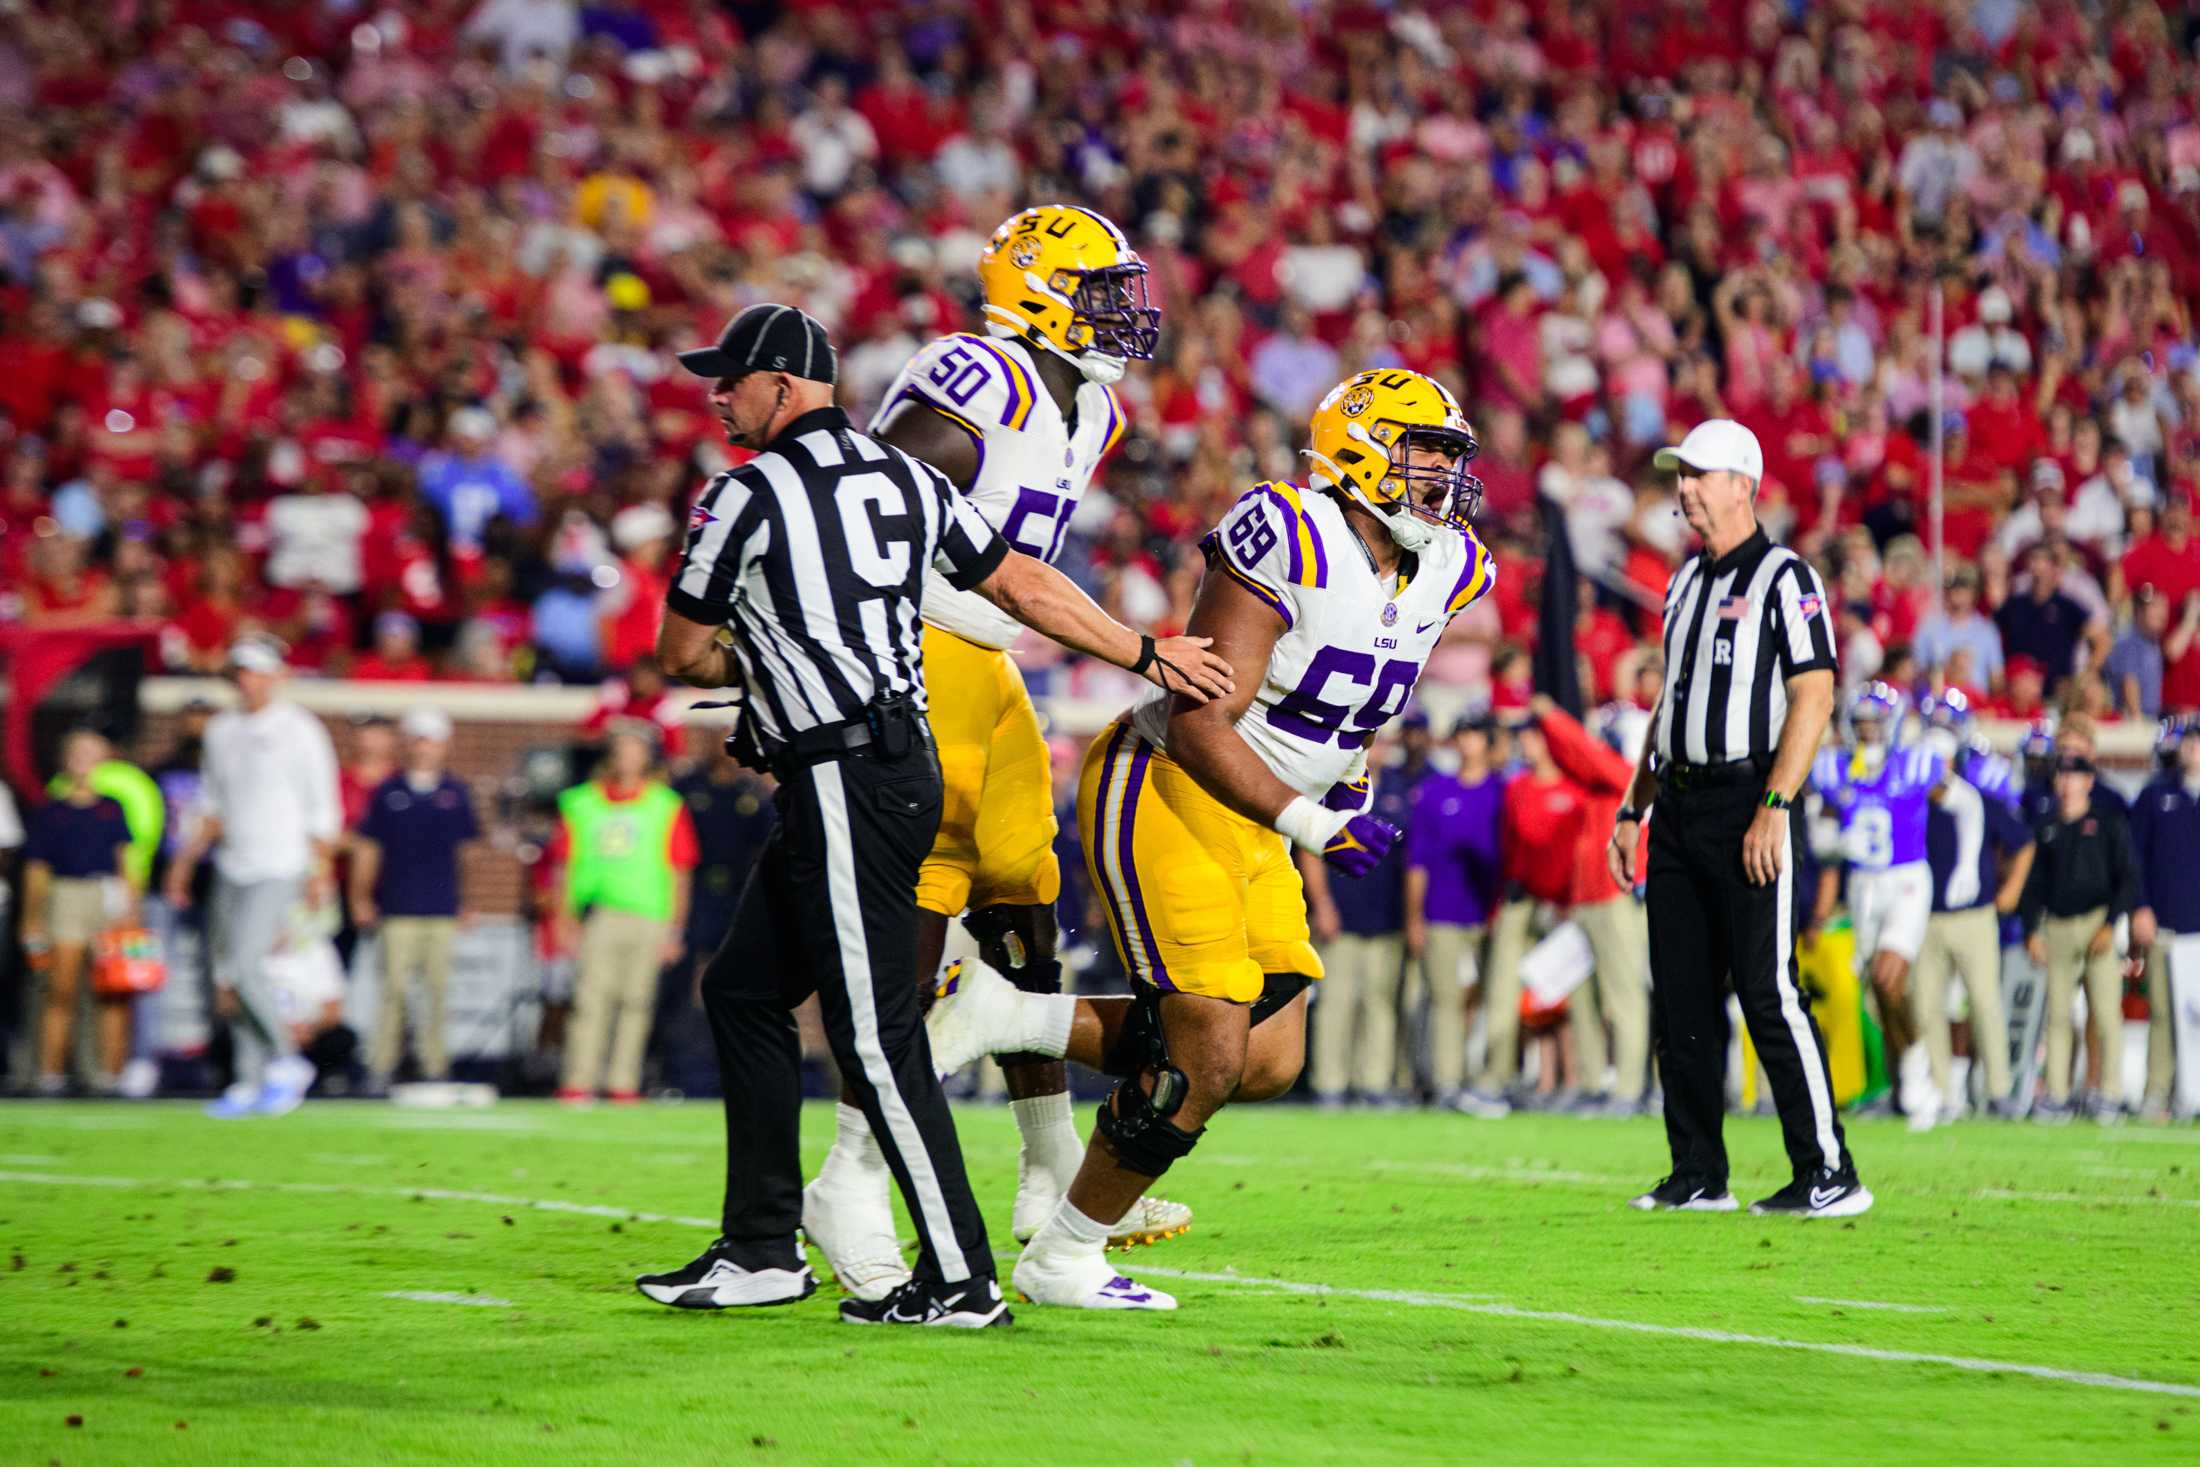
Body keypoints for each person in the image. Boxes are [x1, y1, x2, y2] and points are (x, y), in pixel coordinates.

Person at [645, 303, 1229, 1325]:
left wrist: (764, 668)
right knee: (744, 989)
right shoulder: (920, 463)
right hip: (915, 722)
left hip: (853, 755)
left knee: (888, 1018)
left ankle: (956, 1260)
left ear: (783, 388)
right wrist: (1141, 650)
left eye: (730, 379)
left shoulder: (743, 493)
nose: (717, 395)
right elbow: (1016, 577)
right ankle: (763, 1244)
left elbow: (680, 651)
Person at [926, 367, 1497, 1309]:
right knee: (1208, 1056)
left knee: (1268, 1058)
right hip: (1170, 786)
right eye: (1421, 453)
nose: (1441, 476)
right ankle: (1065, 1252)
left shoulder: (1450, 562)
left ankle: (1008, 1016)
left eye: (1448, 457)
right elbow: (1200, 721)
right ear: (1358, 449)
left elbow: (1363, 679)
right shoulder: (1292, 534)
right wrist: (1311, 817)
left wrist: (1340, 775)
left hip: (1260, 811)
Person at [805, 206, 1185, 1303]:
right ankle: (851, 1170)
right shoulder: (980, 373)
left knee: (1026, 889)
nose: (1122, 314)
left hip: (989, 653)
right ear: (1037, 291)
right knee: (918, 914)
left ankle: (1048, 1158)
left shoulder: (1090, 405)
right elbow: (869, 504)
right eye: (1099, 291)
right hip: (916, 645)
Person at [1610, 419, 1866, 1218]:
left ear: (1742, 484)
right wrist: (1633, 806)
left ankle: (1828, 1168)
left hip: (1748, 796)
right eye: (1680, 473)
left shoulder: (1787, 576)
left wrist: (1774, 807)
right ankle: (1697, 1171)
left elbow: (1815, 695)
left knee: (1767, 990)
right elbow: (1671, 703)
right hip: (1680, 801)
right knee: (1680, 996)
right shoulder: (1685, 581)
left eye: (1699, 473)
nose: (1683, 487)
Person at [163, 638, 342, 1118]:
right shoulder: (222, 730)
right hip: (232, 866)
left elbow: (322, 808)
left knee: (246, 966)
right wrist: (183, 864)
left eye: (258, 672)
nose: (249, 681)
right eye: (242, 671)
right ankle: (249, 1079)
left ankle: (287, 1058)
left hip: (281, 866)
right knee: (232, 978)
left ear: (277, 675)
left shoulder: (301, 729)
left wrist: (318, 872)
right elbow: (211, 805)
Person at [1808, 683, 1942, 1125]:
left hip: (1905, 879)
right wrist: (1828, 839)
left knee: (1888, 978)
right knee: (1881, 997)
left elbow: (1962, 798)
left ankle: (1918, 1072)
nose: (1867, 730)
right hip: (1863, 888)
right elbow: (1824, 833)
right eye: (1861, 721)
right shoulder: (1835, 769)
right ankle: (1905, 1077)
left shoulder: (1914, 764)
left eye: (1875, 721)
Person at [549, 721, 693, 1105]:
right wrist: (563, 918)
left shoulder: (665, 805)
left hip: (649, 914)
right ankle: (579, 1080)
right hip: (598, 913)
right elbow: (563, 865)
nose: (627, 756)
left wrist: (676, 929)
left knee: (636, 1002)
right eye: (621, 748)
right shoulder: (581, 802)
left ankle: (622, 1082)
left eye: (635, 748)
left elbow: (680, 871)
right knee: (590, 998)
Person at [1531, 694, 1652, 1115]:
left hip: (1615, 899)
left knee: (1623, 996)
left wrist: (1553, 716)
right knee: (1583, 1000)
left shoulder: (1629, 778)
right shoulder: (1599, 785)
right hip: (1584, 902)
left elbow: (1587, 754)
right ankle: (1592, 1081)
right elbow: (1577, 757)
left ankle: (1628, 1089)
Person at [350, 707, 480, 1089]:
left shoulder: (455, 793)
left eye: (433, 740)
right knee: (393, 990)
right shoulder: (388, 793)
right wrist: (361, 896)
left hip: (441, 910)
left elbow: (466, 852)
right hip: (398, 907)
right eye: (420, 739)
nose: (426, 748)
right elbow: (368, 848)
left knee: (437, 990)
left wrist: (467, 900)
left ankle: (433, 1064)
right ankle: (381, 1064)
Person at [1916, 716, 2031, 1122]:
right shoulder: (1912, 801)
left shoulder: (1977, 799)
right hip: (1926, 918)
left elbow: (2022, 842)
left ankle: (1998, 1090)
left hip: (1974, 917)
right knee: (1927, 1007)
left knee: (1985, 1003)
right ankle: (1943, 1093)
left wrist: (2010, 891)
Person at [2018, 754, 2141, 1122]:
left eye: (2075, 776)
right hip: (2057, 927)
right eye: (2063, 776)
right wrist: (2030, 931)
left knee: (2105, 1013)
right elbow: (2034, 885)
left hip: (2096, 923)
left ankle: (2110, 1092)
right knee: (2057, 1016)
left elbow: (2127, 877)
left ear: (2089, 782)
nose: (2067, 782)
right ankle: (2056, 1093)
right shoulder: (2048, 826)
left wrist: (2110, 923)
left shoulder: (2105, 822)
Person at [21, 730, 138, 1094]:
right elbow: (36, 869)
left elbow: (124, 862)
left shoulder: (112, 807)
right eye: (78, 751)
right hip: (66, 895)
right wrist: (31, 917)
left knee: (111, 991)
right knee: (61, 989)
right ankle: (50, 1072)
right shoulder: (51, 810)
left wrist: (129, 908)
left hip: (104, 897)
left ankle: (107, 1074)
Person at [1302, 728, 1413, 1108]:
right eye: (1370, 740)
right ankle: (1331, 1083)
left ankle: (1375, 1082)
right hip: (1342, 914)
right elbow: (1310, 849)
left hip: (1386, 916)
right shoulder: (1333, 788)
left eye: (1381, 741)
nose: (1376, 748)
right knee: (1337, 1002)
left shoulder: (1401, 789)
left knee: (1379, 1003)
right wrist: (1322, 904)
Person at [1404, 713, 1506, 1113]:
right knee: (1446, 1000)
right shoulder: (1434, 791)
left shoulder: (1502, 792)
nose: (1469, 742)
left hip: (1489, 914)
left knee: (1492, 999)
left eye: (1477, 735)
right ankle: (1447, 1081)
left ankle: (1487, 1080)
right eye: (1463, 734)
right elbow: (1417, 862)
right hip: (1442, 913)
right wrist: (1414, 917)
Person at [2127, 719, 2200, 1122]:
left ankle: (2193, 1092)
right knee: (2162, 1011)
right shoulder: (2155, 795)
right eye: (2189, 740)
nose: (2192, 747)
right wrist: (2140, 907)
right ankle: (2157, 1091)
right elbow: (2134, 858)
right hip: (2167, 925)